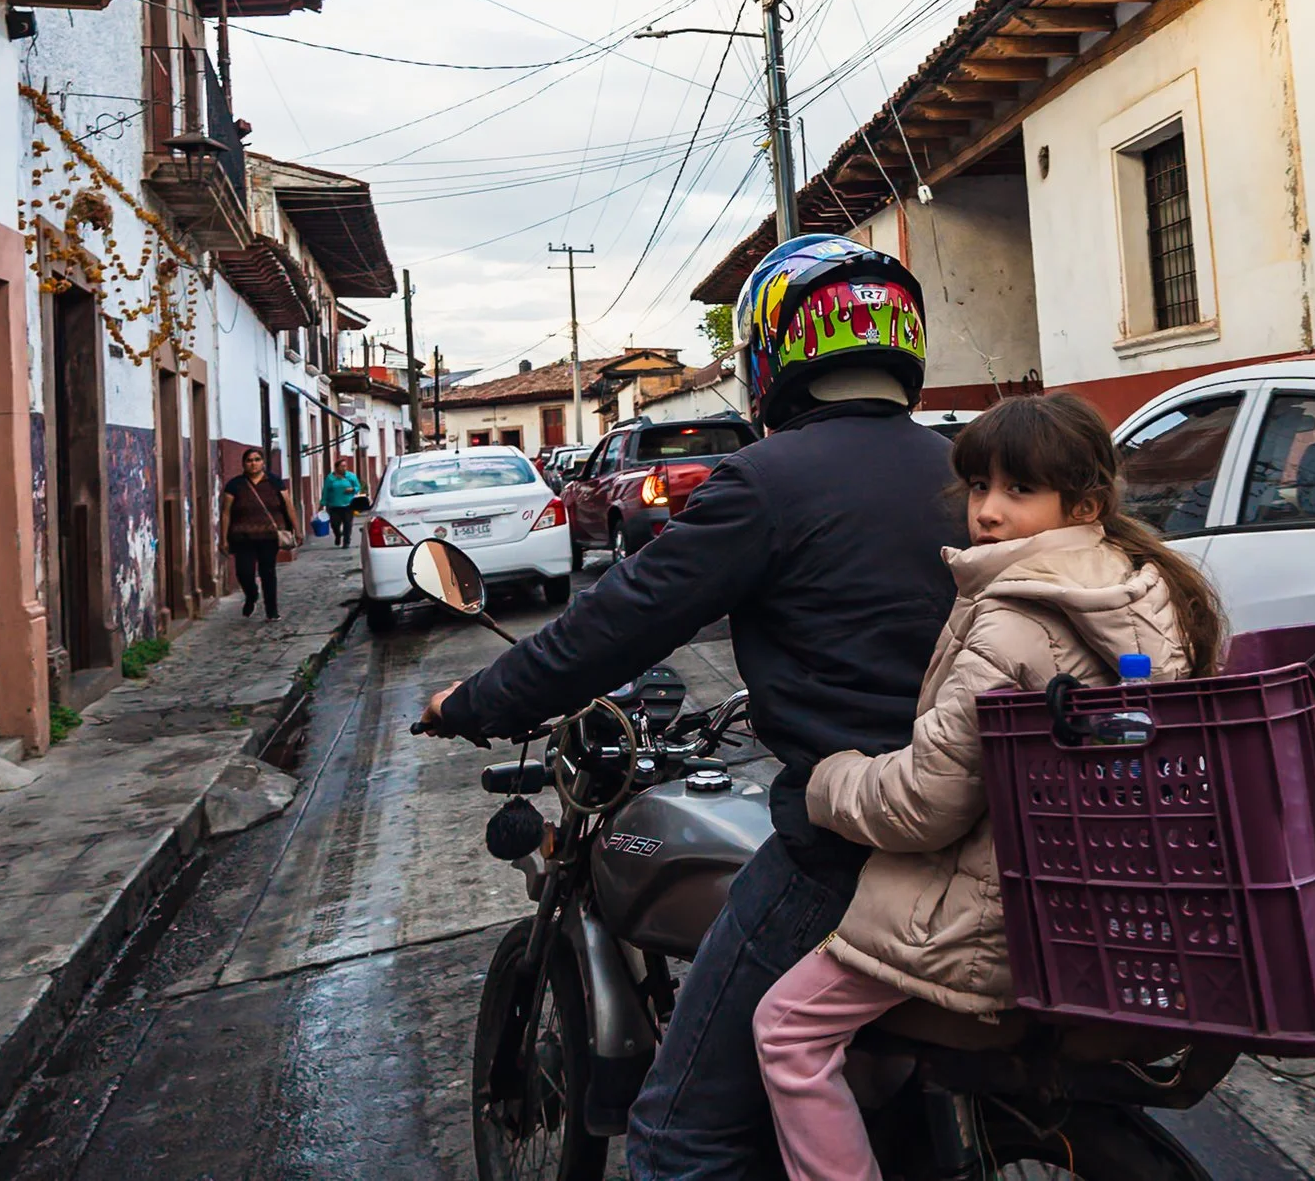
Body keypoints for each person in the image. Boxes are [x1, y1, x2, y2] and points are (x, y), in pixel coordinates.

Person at [419, 233, 961, 1180]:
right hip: (980, 829)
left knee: (676, 1134)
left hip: (845, 850)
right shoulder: (963, 469)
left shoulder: (767, 482)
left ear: (774, 353)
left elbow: (616, 623)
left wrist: (476, 699)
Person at [749, 393, 1226, 1181]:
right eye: (978, 486)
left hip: (984, 915)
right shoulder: (1137, 587)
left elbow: (925, 804)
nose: (989, 511)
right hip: (1086, 900)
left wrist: (828, 782)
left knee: (787, 1029)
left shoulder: (1016, 615)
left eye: (1018, 489)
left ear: (1084, 504)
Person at [222, 448, 296, 620]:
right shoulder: (235, 485)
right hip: (242, 537)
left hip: (268, 537)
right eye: (249, 460)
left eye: (257, 460)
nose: (253, 463)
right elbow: (226, 512)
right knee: (244, 572)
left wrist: (296, 529)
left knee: (268, 572)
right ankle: (252, 594)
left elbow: (288, 506)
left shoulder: (274, 482)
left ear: (263, 462)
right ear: (243, 464)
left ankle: (272, 611)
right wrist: (224, 538)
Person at [321, 459, 365, 549]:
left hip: (348, 505)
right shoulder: (330, 478)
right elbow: (325, 491)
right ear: (336, 467)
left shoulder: (351, 476)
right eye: (342, 466)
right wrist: (323, 503)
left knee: (347, 524)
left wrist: (352, 489)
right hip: (334, 505)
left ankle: (346, 542)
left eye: (345, 466)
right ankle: (338, 535)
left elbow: (358, 487)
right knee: (334, 524)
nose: (344, 468)